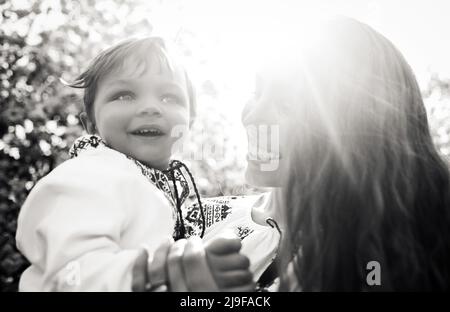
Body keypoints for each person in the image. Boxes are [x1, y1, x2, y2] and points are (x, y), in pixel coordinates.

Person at [16, 37, 254, 292]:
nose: (150, 107)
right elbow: (73, 273)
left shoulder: (152, 185)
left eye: (169, 97)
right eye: (124, 95)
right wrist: (162, 273)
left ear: (190, 122)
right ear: (91, 125)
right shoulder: (89, 176)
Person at [240, 17, 450, 291]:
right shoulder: (195, 219)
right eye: (257, 92)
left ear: (355, 130)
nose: (252, 117)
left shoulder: (385, 258)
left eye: (287, 104)